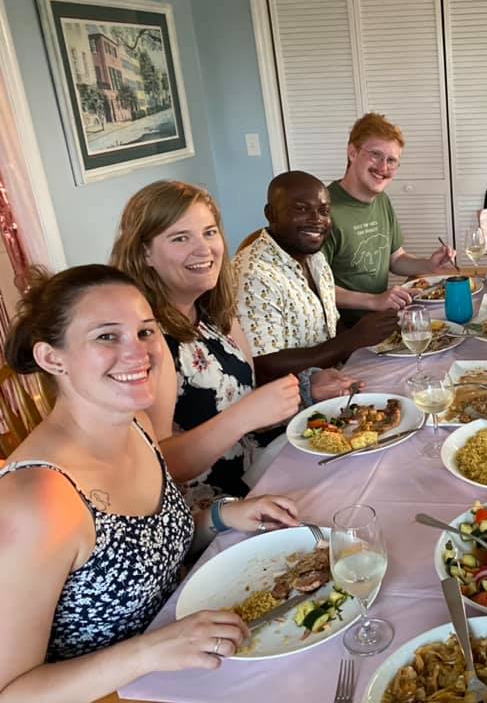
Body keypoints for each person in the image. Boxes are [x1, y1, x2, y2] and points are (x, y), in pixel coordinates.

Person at [0, 265, 300, 700]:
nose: (139, 353)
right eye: (107, 336)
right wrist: (151, 650)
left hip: (195, 654)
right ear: (52, 358)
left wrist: (221, 516)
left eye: (145, 332)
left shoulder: (136, 425)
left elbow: (148, 551)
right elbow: (11, 692)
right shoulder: (36, 500)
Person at [111, 181, 360, 509]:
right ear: (144, 252)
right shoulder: (142, 341)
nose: (204, 250)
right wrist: (243, 416)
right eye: (181, 238)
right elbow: (158, 465)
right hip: (213, 511)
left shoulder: (215, 314)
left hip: (260, 470)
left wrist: (307, 387)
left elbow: (249, 400)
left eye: (209, 232)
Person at [234, 171, 398, 392]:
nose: (316, 220)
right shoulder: (254, 275)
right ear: (271, 213)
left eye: (324, 211)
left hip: (336, 380)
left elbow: (331, 325)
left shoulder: (315, 258)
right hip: (289, 406)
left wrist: (375, 338)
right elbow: (264, 366)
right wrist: (352, 339)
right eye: (301, 209)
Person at [322, 112, 457, 326]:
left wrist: (428, 264)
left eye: (392, 160)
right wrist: (374, 300)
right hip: (345, 332)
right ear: (352, 153)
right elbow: (315, 288)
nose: (383, 168)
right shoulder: (323, 211)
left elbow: (395, 259)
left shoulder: (381, 200)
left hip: (380, 320)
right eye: (375, 155)